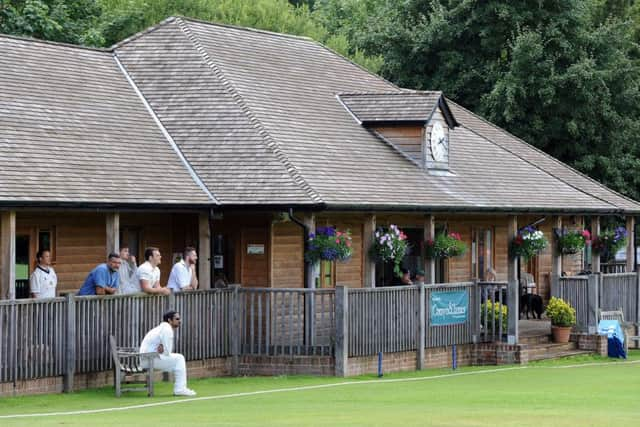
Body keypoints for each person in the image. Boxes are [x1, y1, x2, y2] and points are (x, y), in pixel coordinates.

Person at [139, 310, 196, 396]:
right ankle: (180, 389)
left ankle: (180, 388)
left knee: (177, 360)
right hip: (150, 359)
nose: (180, 321)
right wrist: (162, 349)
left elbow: (164, 350)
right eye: (177, 319)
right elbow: (167, 352)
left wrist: (162, 348)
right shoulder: (167, 329)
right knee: (179, 358)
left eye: (179, 319)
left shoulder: (161, 328)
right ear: (169, 320)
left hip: (147, 358)